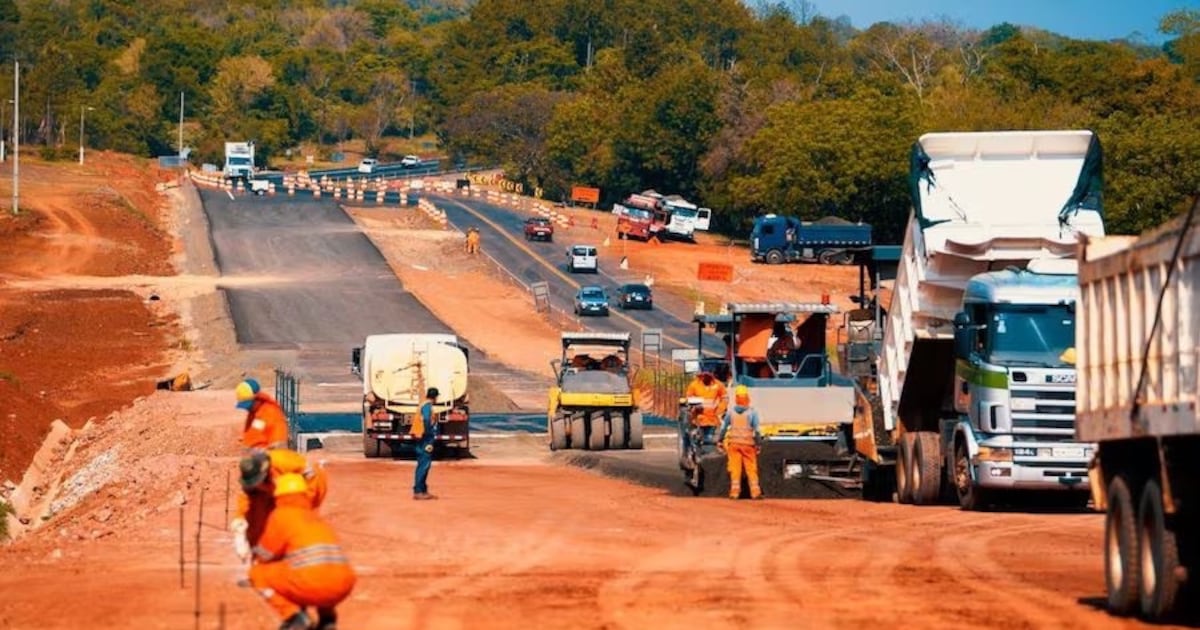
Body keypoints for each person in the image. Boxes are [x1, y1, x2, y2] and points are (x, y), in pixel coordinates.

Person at [248, 473, 356, 630]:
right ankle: (327, 619)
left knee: (257, 574)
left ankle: (294, 617)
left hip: (311, 583)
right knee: (313, 570)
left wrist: (253, 550)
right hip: (343, 584)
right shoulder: (314, 517)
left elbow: (265, 555)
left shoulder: (282, 515)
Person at [231, 449, 330, 563]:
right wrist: (239, 525)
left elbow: (312, 478)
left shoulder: (282, 461)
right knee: (258, 515)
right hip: (275, 491)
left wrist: (304, 505)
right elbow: (246, 500)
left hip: (307, 488)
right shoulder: (252, 474)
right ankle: (260, 556)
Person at [717, 385, 764, 500]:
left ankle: (734, 492)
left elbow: (723, 428)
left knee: (735, 469)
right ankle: (755, 492)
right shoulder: (752, 413)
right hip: (748, 445)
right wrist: (758, 444)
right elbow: (757, 431)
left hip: (734, 445)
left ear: (736, 398)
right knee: (751, 469)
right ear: (747, 397)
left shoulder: (731, 413)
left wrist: (719, 440)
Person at [237, 378, 289, 451]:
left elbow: (279, 444)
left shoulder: (271, 413)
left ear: (257, 398)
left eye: (249, 405)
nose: (248, 409)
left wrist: (262, 453)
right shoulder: (254, 413)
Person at [684, 371, 727, 447]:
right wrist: (695, 407)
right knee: (697, 440)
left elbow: (725, 398)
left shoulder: (718, 385)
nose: (706, 378)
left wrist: (720, 410)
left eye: (708, 376)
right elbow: (688, 398)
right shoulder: (694, 385)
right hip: (698, 419)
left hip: (713, 419)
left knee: (709, 440)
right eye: (704, 376)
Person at [413, 387, 439, 500]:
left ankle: (422, 490)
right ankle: (419, 491)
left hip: (423, 437)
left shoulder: (424, 405)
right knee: (424, 465)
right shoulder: (427, 406)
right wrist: (428, 433)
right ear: (435, 397)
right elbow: (427, 420)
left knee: (423, 464)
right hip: (425, 439)